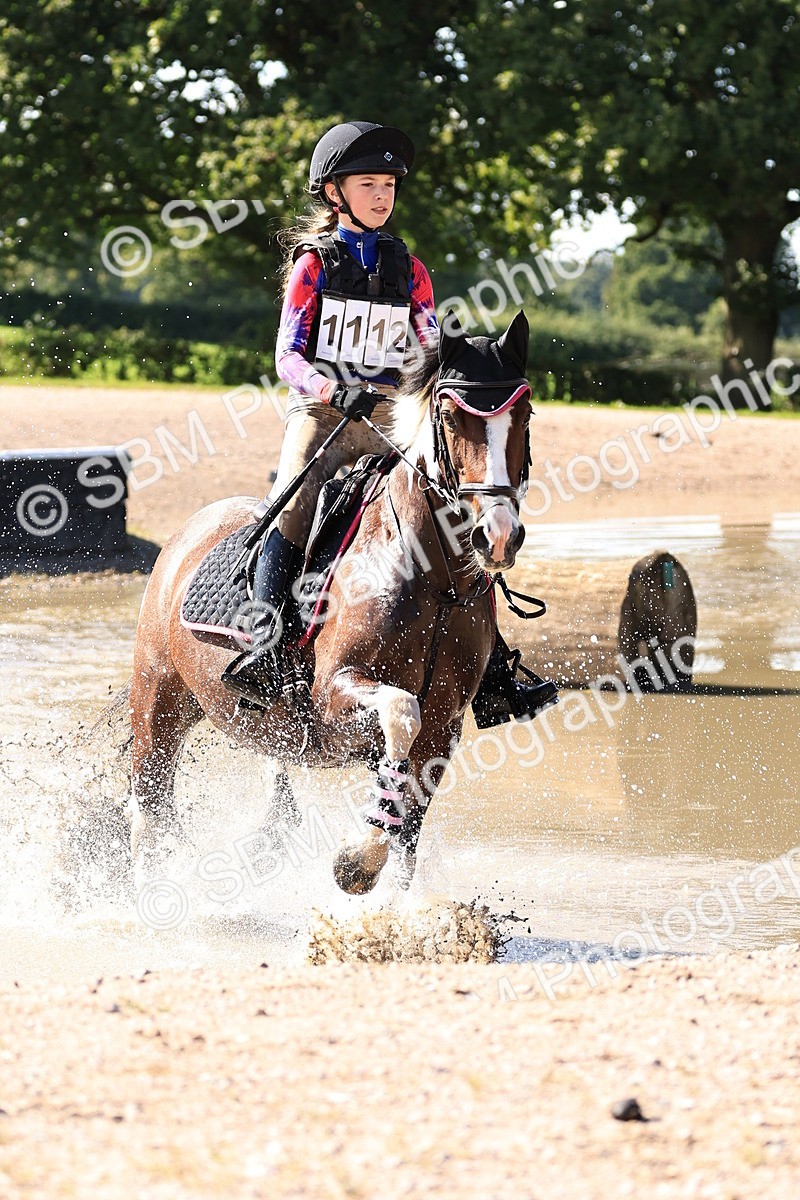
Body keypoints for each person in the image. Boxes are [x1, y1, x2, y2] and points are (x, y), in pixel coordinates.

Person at [223, 119, 557, 727]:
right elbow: (287, 357)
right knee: (293, 505)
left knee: (454, 514)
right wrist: (331, 388)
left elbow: (428, 352)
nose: (382, 196)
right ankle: (263, 648)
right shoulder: (312, 267)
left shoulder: (414, 271)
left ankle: (495, 671)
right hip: (322, 414)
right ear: (335, 193)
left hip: (392, 417)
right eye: (368, 184)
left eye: (389, 186)